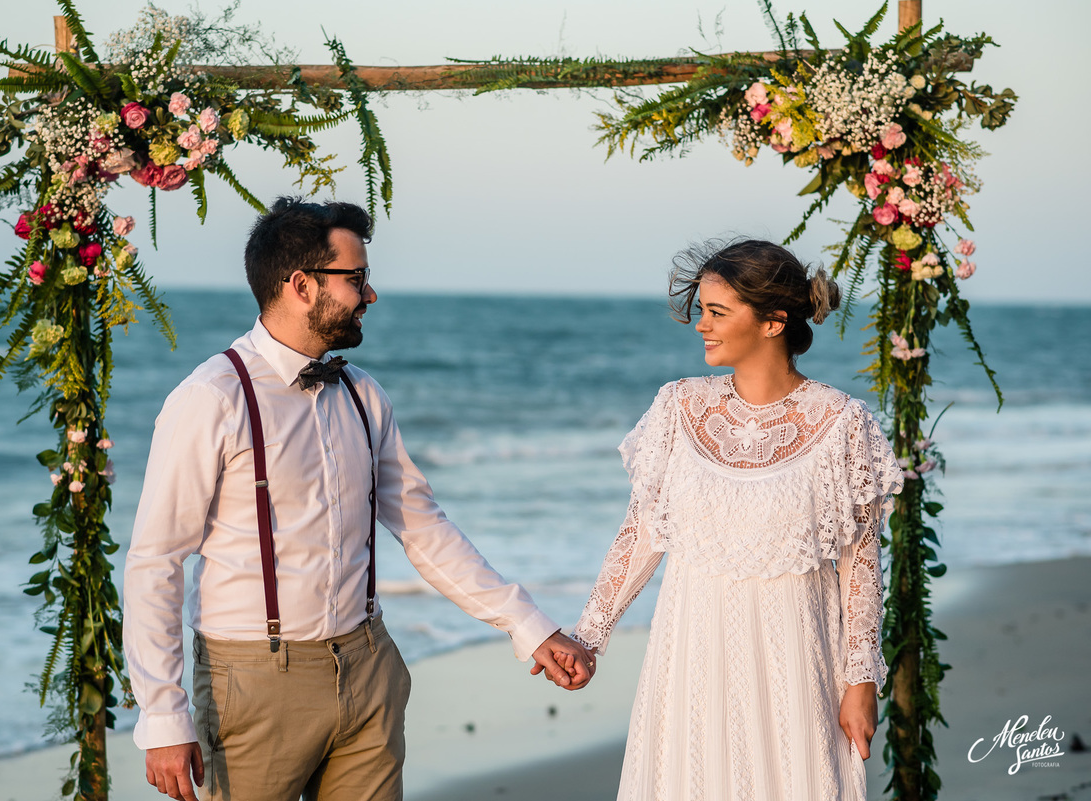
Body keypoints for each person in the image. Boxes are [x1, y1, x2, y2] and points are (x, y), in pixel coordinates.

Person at [122, 196, 592, 801]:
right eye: (357, 278)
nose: (370, 294)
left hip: (369, 668)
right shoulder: (212, 398)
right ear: (301, 285)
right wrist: (163, 715)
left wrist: (528, 625)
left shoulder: (363, 396)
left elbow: (424, 528)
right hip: (254, 683)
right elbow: (155, 559)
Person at [568, 239, 904, 800]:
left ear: (773, 322)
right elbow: (640, 534)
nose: (701, 325)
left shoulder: (844, 423)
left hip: (797, 662)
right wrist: (588, 637)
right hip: (690, 659)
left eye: (717, 312)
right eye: (702, 310)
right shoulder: (678, 407)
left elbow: (860, 567)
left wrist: (861, 679)